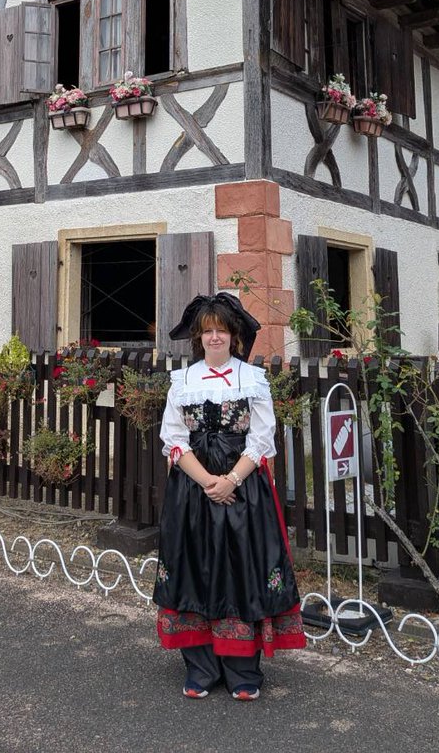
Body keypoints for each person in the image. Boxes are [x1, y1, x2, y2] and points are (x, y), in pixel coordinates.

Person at [153, 292, 305, 700]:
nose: (215, 337)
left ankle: (242, 670)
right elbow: (173, 439)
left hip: (243, 492)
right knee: (196, 568)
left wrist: (231, 481)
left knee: (241, 571)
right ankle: (201, 669)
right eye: (208, 331)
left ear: (234, 336)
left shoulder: (252, 379)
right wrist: (206, 481)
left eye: (221, 330)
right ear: (198, 338)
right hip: (192, 491)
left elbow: (261, 439)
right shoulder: (182, 381)